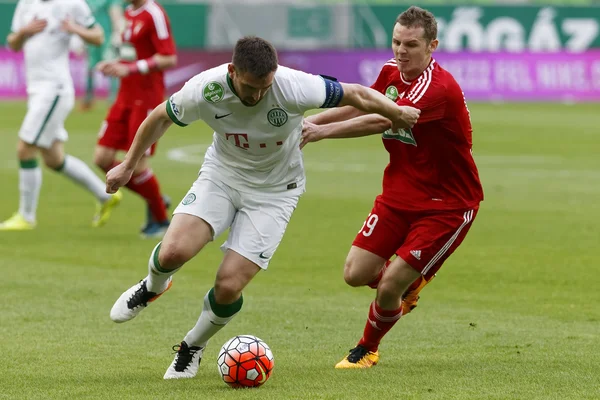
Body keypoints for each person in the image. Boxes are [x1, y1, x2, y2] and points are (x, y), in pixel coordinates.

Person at [105, 36, 421, 380]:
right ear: (232, 71)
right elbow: (159, 117)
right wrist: (128, 165)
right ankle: (153, 286)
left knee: (228, 286)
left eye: (264, 87)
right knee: (173, 252)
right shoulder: (206, 89)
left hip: (275, 193)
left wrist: (395, 112)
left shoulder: (293, 86)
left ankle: (191, 347)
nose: (257, 95)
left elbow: (357, 93)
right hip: (221, 178)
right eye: (251, 87)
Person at [301, 6, 484, 369]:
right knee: (356, 274)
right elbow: (359, 103)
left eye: (412, 45)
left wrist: (320, 133)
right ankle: (408, 281)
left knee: (388, 288)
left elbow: (381, 117)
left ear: (432, 45)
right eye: (397, 42)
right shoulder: (389, 72)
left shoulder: (438, 89)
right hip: (399, 193)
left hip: (447, 204)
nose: (402, 51)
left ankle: (367, 348)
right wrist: (309, 122)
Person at [1, 0, 122, 231]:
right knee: (53, 159)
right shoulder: (26, 4)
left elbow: (98, 36)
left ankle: (26, 216)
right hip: (35, 90)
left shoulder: (73, 4)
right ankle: (106, 196)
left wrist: (74, 29)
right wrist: (24, 32)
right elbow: (13, 44)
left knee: (24, 148)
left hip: (54, 89)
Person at [94, 0, 176, 238]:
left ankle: (160, 219)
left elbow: (168, 58)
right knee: (102, 158)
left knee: (138, 165)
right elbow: (134, 54)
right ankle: (156, 197)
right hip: (124, 96)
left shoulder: (154, 14)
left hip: (146, 99)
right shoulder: (129, 12)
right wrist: (118, 65)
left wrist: (131, 69)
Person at [81, 0, 124, 110]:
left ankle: (114, 98)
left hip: (107, 37)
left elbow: (116, 14)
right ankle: (88, 98)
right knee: (90, 67)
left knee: (111, 66)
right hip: (92, 38)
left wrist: (117, 33)